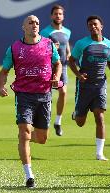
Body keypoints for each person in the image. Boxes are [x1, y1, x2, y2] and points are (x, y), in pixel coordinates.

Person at [0, 15, 62, 188]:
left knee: (42, 138)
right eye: (31, 22)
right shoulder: (15, 47)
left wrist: (56, 77)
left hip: (44, 95)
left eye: (37, 23)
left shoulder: (48, 44)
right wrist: (1, 86)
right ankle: (29, 176)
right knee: (25, 132)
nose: (35, 25)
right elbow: (4, 71)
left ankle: (24, 138)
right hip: (24, 95)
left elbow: (57, 64)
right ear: (23, 27)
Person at [69, 15, 110, 161]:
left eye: (95, 24)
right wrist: (78, 75)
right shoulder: (82, 44)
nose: (93, 27)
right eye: (90, 25)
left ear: (101, 26)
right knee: (80, 122)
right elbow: (71, 61)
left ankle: (99, 153)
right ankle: (76, 113)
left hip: (100, 85)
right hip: (84, 85)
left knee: (100, 116)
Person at [40, 4, 71, 136]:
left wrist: (69, 54)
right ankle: (44, 121)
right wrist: (51, 48)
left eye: (60, 14)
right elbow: (39, 49)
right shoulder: (45, 32)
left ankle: (58, 122)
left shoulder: (67, 31)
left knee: (63, 92)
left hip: (62, 67)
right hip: (48, 67)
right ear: (51, 16)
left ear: (63, 16)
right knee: (46, 97)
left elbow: (66, 45)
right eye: (55, 14)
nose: (58, 16)